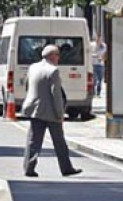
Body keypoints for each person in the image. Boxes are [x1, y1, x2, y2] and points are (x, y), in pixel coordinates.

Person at [22, 45, 82, 177]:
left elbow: (27, 85)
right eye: (58, 55)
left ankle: (28, 168)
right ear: (52, 56)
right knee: (59, 142)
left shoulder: (33, 67)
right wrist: (60, 114)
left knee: (33, 141)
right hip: (50, 112)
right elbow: (56, 95)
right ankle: (66, 168)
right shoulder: (53, 71)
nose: (59, 58)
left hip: (34, 110)